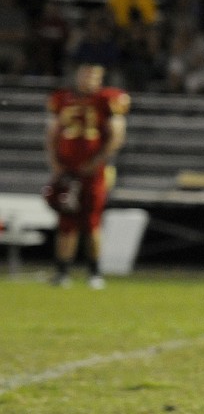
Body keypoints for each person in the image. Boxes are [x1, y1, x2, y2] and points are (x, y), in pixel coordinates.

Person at [45, 62, 130, 288]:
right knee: (66, 222)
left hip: (93, 172)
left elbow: (117, 134)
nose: (87, 80)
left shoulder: (107, 99)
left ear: (100, 79)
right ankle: (62, 271)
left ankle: (94, 271)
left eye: (93, 76)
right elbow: (52, 132)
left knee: (92, 222)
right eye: (84, 74)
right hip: (67, 169)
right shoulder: (62, 98)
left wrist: (98, 160)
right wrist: (55, 162)